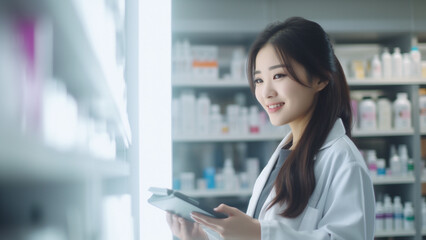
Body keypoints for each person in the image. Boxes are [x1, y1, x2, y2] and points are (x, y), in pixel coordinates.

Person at [167, 16, 375, 240]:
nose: (266, 93)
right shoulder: (284, 154)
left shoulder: (343, 160)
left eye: (278, 75)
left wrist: (259, 233)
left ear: (320, 79)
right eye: (258, 80)